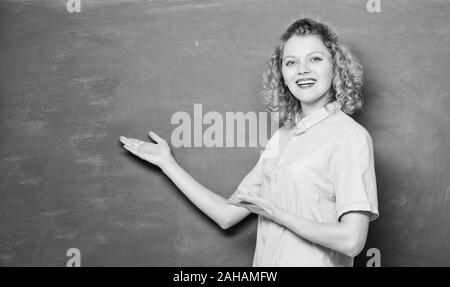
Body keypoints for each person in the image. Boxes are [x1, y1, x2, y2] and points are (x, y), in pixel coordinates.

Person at [119, 18, 379, 267]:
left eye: (315, 59)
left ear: (335, 67)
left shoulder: (349, 137)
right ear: (283, 77)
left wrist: (279, 215)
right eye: (291, 62)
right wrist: (167, 163)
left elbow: (352, 241)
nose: (302, 70)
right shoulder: (283, 138)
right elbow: (227, 214)